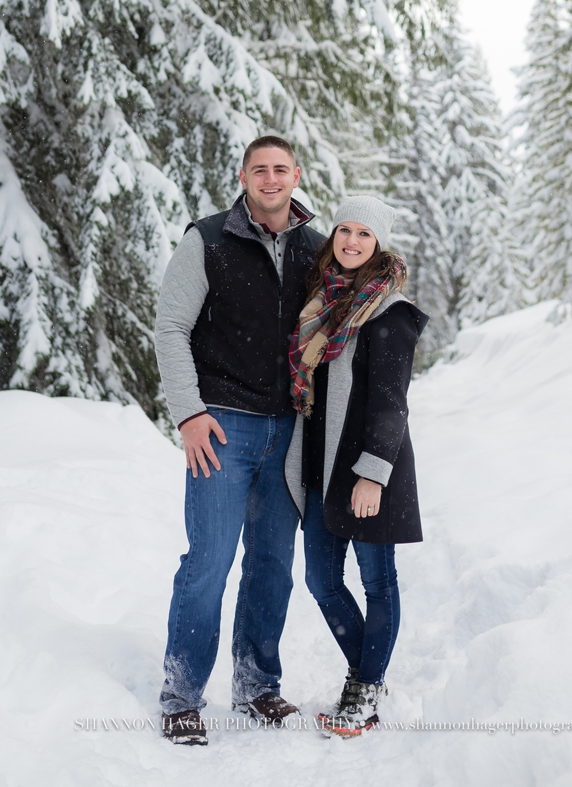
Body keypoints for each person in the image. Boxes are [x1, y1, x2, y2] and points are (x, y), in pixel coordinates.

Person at [153, 135, 324, 746]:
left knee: (273, 564)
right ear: (244, 176)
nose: (270, 179)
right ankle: (181, 697)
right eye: (260, 170)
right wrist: (188, 414)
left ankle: (256, 686)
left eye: (281, 169)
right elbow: (171, 328)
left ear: (296, 175)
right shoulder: (207, 240)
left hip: (289, 429)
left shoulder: (315, 248)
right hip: (222, 427)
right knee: (209, 561)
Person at [285, 195, 428, 737]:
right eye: (345, 230)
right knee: (321, 580)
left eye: (364, 234)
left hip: (368, 470)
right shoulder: (323, 301)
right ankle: (367, 670)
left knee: (377, 581)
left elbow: (391, 404)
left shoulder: (389, 312)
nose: (351, 241)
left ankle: (366, 687)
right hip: (323, 467)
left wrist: (372, 474)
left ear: (378, 243)